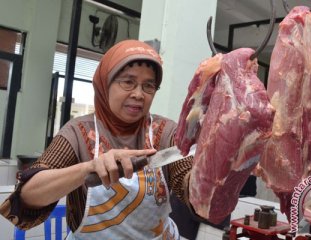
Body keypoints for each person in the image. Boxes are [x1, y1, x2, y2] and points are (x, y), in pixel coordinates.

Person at [0, 40, 194, 239]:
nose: (138, 94)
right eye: (128, 82)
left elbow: (191, 190)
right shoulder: (78, 132)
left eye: (149, 86)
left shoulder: (166, 132)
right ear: (105, 83)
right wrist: (88, 168)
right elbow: (27, 197)